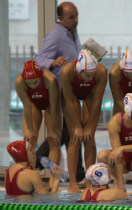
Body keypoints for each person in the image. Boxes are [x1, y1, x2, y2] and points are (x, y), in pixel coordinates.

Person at [35, 1, 85, 182]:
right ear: (60, 18)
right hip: (59, 90)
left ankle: (36, 161)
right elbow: (39, 59)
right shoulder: (55, 36)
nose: (76, 20)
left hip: (71, 89)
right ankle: (35, 162)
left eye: (77, 15)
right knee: (68, 132)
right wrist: (51, 63)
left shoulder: (73, 32)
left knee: (70, 131)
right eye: (71, 17)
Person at [61, 49, 107, 193]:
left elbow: (98, 100)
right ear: (79, 71)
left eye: (91, 74)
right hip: (71, 97)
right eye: (87, 75)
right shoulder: (67, 72)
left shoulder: (101, 71)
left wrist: (89, 127)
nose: (89, 77)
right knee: (75, 137)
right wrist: (77, 126)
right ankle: (72, 183)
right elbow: (69, 102)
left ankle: (89, 181)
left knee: (89, 138)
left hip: (91, 95)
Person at [15, 60, 62, 186]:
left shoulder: (50, 80)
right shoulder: (19, 82)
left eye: (36, 82)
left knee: (54, 139)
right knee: (29, 140)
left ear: (41, 77)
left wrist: (52, 130)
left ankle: (53, 180)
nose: (33, 85)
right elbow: (27, 105)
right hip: (32, 105)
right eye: (29, 83)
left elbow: (54, 106)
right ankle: (27, 177)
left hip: (50, 106)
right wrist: (30, 129)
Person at [97, 93, 132, 195]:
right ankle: (118, 180)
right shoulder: (115, 122)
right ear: (129, 112)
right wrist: (120, 184)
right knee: (102, 156)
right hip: (122, 161)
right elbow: (117, 155)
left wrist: (123, 148)